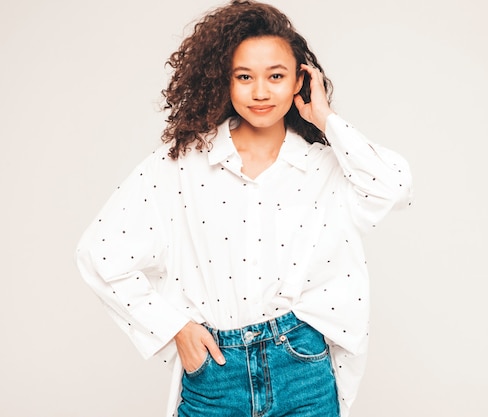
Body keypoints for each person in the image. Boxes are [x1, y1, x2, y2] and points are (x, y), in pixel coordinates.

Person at [75, 1, 412, 416]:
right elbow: (100, 253)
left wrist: (325, 118)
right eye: (244, 76)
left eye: (276, 76)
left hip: (301, 369)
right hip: (215, 373)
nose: (260, 92)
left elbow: (394, 186)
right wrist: (174, 329)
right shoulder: (180, 165)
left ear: (299, 82)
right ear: (224, 81)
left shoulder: (325, 167)